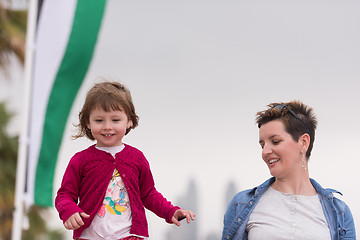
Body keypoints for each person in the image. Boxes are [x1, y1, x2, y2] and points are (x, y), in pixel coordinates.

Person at [55, 81, 195, 240]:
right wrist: (69, 211)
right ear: (88, 122)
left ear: (129, 120)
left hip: (129, 235)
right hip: (89, 236)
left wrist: (171, 211)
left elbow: (148, 194)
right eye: (99, 120)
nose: (107, 126)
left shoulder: (137, 158)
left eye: (115, 120)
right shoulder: (80, 160)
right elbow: (65, 194)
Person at [222, 101, 356, 240]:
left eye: (275, 141)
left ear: (303, 143)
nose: (265, 152)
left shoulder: (340, 212)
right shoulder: (241, 205)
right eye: (262, 145)